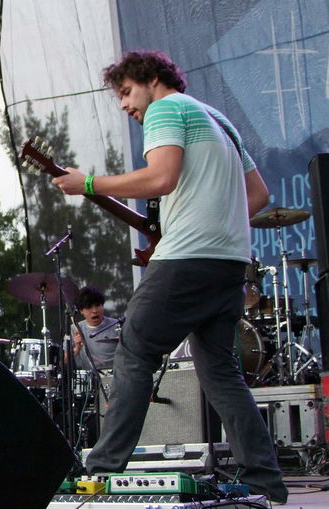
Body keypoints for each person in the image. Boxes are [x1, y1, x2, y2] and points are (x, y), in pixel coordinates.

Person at [51, 50, 287, 504]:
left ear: (152, 80)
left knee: (134, 350)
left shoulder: (165, 108)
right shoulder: (220, 121)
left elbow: (161, 178)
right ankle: (265, 483)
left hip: (185, 260)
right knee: (221, 373)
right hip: (229, 264)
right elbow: (257, 194)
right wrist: (210, 222)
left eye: (126, 92)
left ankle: (99, 473)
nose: (125, 105)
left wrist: (88, 184)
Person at [71, 286, 119, 371]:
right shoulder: (75, 329)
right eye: (89, 307)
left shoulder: (117, 326)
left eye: (97, 305)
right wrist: (77, 348)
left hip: (116, 374)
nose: (94, 311)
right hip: (90, 376)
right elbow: (62, 362)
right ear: (81, 310)